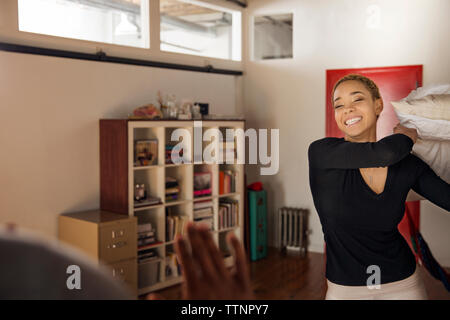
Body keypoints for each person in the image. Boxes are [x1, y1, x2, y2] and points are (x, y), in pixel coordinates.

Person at [308, 74, 450, 299]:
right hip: (345, 289)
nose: (347, 109)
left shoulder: (406, 164)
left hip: (403, 283)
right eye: (339, 105)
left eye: (357, 100)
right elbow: (386, 153)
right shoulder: (322, 153)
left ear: (378, 105)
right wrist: (407, 137)